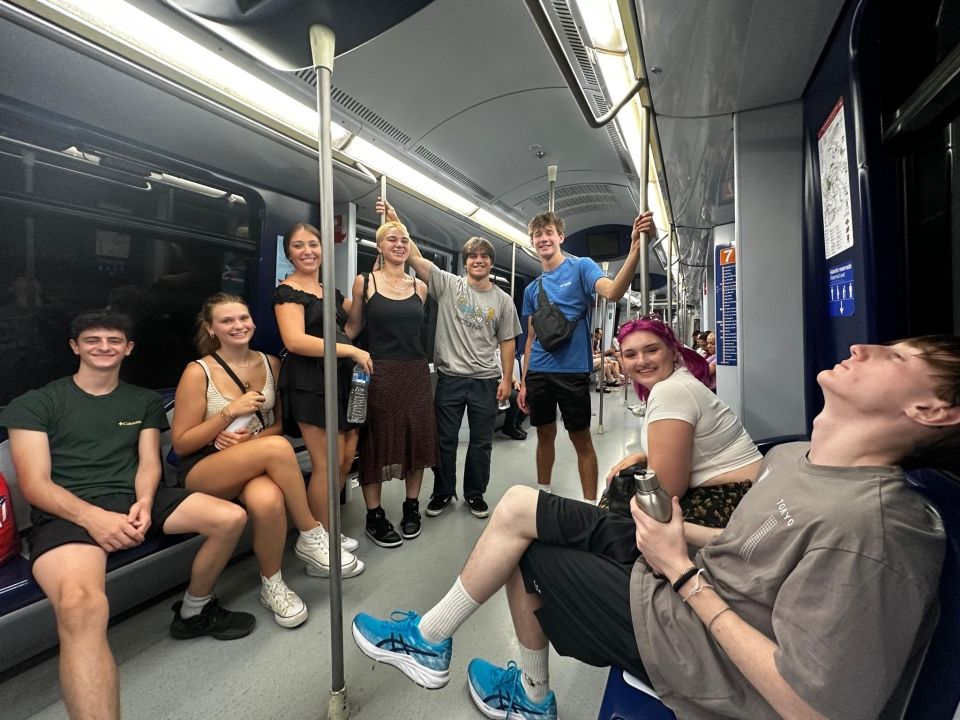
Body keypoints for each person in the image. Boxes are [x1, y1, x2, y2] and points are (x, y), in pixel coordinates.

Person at [352, 335, 960, 719]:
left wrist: (681, 571)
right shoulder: (794, 457)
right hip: (690, 577)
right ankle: (451, 651)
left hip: (694, 640)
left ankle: (518, 690)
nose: (862, 349)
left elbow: (815, 707)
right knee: (520, 506)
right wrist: (680, 543)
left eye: (897, 356)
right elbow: (754, 550)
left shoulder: (875, 532)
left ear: (933, 411)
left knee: (526, 545)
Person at [0, 311, 256, 720]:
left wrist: (143, 502)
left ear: (128, 348)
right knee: (82, 606)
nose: (104, 347)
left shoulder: (142, 401)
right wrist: (94, 519)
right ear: (74, 347)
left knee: (229, 518)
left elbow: (148, 463)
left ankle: (194, 609)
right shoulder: (35, 404)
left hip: (135, 498)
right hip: (67, 512)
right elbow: (37, 486)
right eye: (93, 340)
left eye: (113, 340)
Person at [173, 294, 363, 630]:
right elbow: (183, 443)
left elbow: (277, 425)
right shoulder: (197, 371)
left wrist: (253, 441)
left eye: (243, 318)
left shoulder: (272, 364)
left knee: (269, 500)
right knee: (276, 449)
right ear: (211, 329)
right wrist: (229, 413)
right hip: (206, 467)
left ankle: (271, 584)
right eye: (227, 321)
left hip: (255, 458)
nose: (238, 326)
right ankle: (310, 533)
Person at [377, 199, 521, 519]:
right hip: (451, 378)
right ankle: (443, 492)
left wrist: (507, 379)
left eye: (484, 256)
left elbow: (508, 341)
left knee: (481, 443)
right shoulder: (448, 285)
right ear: (465, 261)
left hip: (485, 379)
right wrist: (396, 218)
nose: (478, 260)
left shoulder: (503, 300)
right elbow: (413, 256)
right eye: (473, 256)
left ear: (491, 263)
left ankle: (475, 494)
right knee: (444, 440)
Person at [519, 211, 656, 502]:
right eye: (537, 235)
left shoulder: (581, 267)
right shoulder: (532, 289)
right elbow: (530, 339)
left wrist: (634, 249)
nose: (543, 238)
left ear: (560, 237)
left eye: (548, 233)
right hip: (539, 372)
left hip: (571, 372)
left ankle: (591, 505)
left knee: (580, 438)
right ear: (532, 242)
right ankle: (544, 492)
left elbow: (615, 291)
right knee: (544, 435)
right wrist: (524, 381)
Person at [272, 222, 373, 569]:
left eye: (313, 244)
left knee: (345, 460)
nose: (307, 251)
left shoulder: (328, 292)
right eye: (298, 246)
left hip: (339, 379)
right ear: (289, 253)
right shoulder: (288, 292)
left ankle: (327, 529)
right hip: (309, 381)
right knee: (326, 464)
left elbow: (352, 326)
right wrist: (351, 352)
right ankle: (317, 540)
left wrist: (360, 291)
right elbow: (295, 340)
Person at [603, 317, 762, 527]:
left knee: (603, 520)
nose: (641, 361)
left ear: (672, 351)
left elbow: (668, 491)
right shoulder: (677, 382)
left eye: (651, 350)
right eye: (631, 354)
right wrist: (644, 456)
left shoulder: (670, 391)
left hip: (730, 501)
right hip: (742, 494)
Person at [345, 219, 438, 548]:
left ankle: (411, 507)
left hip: (414, 372)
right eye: (392, 239)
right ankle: (375, 515)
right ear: (380, 247)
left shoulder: (420, 289)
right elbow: (353, 328)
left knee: (417, 439)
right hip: (378, 371)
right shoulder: (364, 283)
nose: (399, 244)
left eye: (405, 240)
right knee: (377, 443)